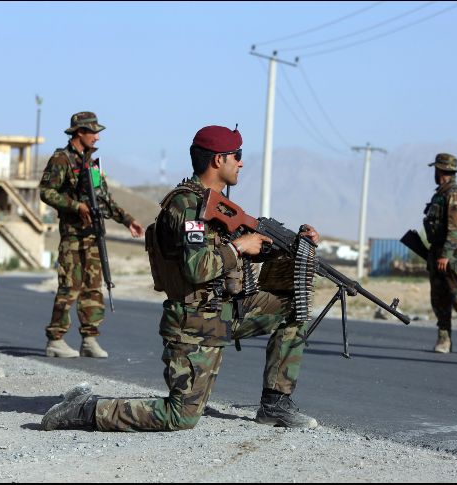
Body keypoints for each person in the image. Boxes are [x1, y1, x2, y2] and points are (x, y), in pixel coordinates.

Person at [41, 124, 321, 432]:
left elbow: (242, 252)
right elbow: (197, 268)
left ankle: (275, 405)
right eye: (236, 156)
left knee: (295, 309)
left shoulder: (218, 207)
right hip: (194, 321)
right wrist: (238, 247)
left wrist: (293, 244)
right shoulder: (186, 206)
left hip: (226, 310)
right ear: (217, 160)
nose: (241, 163)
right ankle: (83, 410)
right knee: (180, 416)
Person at [39, 111, 144, 359]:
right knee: (69, 287)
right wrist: (77, 207)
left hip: (93, 236)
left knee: (93, 288)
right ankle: (56, 339)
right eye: (93, 132)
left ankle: (89, 338)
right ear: (79, 133)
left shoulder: (91, 164)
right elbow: (46, 192)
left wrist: (128, 220)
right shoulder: (61, 160)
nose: (97, 137)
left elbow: (104, 200)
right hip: (73, 237)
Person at [422, 153, 457, 355]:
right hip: (438, 251)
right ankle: (444, 338)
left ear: (439, 170)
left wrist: (445, 254)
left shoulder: (454, 194)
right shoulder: (441, 193)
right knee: (439, 298)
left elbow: (455, 228)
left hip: (453, 255)